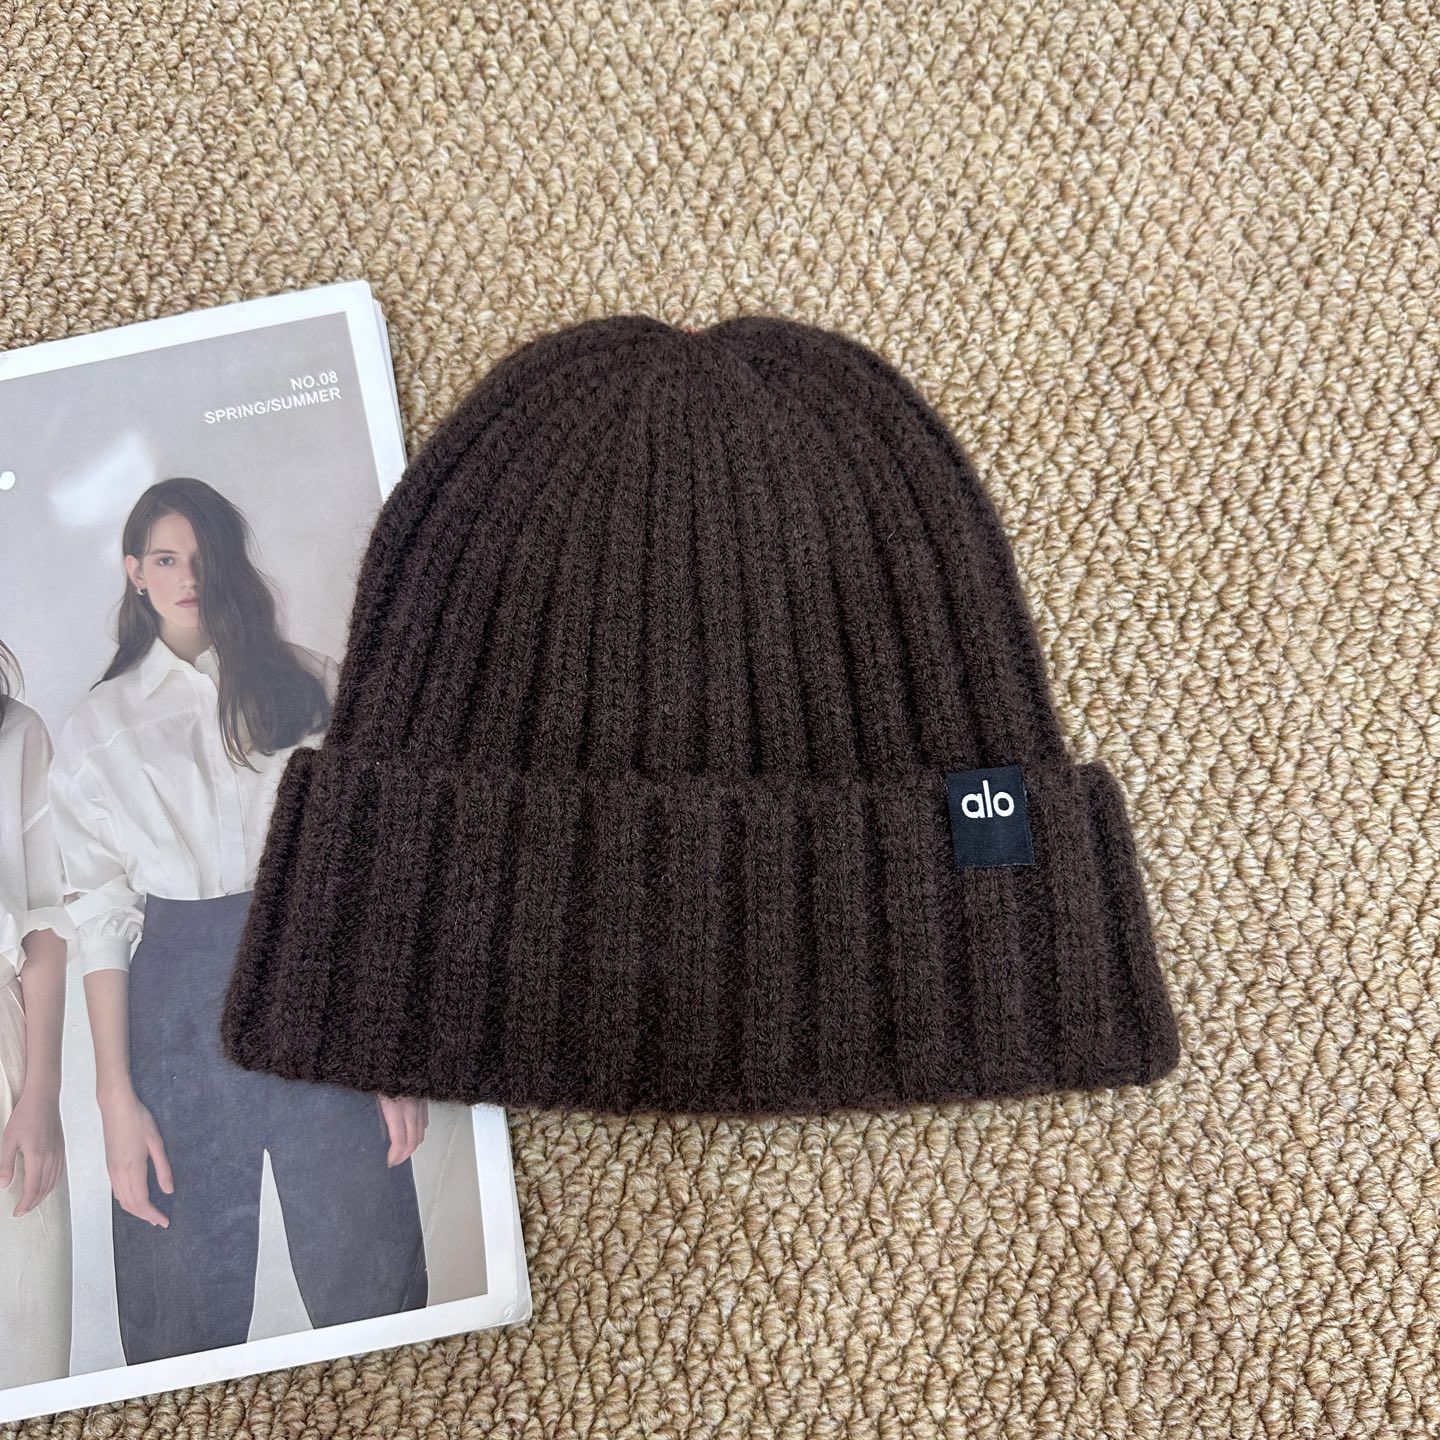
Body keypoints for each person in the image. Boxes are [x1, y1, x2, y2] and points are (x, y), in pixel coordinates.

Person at [47, 478, 429, 1365]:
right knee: (179, 1307)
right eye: (166, 558)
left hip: (314, 972)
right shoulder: (99, 727)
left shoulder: (312, 683)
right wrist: (114, 1099)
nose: (188, 576)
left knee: (372, 1280)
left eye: (204, 556)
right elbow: (101, 917)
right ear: (135, 572)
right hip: (173, 999)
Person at [0, 638, 75, 1386]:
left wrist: (41, 1095)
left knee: (23, 1340)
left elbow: (46, 924)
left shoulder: (15, 734)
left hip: (4, 1054)